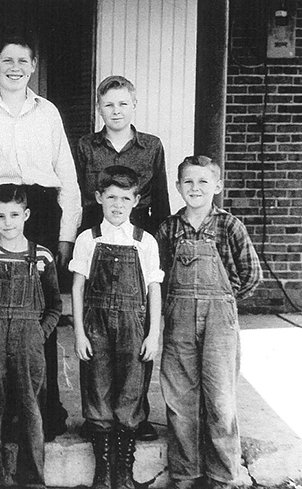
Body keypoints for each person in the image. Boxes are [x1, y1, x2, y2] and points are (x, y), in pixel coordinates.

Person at [0, 31, 81, 441]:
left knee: (41, 317)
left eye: (23, 61)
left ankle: (43, 416)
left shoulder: (49, 113)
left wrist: (66, 234)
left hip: (38, 213)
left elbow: (67, 176)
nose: (15, 68)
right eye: (7, 61)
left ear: (33, 66)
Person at [156, 156, 262, 489]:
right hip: (179, 320)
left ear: (217, 186)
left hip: (220, 321)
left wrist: (224, 302)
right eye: (188, 182)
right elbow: (156, 277)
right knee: (181, 402)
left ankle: (222, 477)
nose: (195, 188)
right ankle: (186, 475)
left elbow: (252, 275)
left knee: (220, 401)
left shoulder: (230, 226)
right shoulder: (168, 229)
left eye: (203, 182)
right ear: (178, 187)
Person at [75, 75, 170, 441]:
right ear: (99, 108)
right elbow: (84, 197)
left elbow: (160, 198)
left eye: (123, 104)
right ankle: (97, 417)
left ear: (134, 106)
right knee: (97, 332)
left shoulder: (151, 146)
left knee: (135, 334)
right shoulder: (86, 145)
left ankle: (134, 415)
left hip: (138, 236)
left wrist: (161, 247)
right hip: (99, 235)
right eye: (108, 104)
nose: (116, 111)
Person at [69, 166, 163, 489]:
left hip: (133, 327)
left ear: (136, 200)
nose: (118, 205)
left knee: (131, 390)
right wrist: (79, 332)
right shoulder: (88, 239)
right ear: (99, 198)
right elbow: (78, 287)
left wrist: (153, 333)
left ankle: (123, 471)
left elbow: (154, 289)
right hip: (95, 326)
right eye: (111, 197)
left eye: (125, 198)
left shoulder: (145, 241)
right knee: (98, 389)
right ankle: (102, 471)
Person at [0, 185, 62, 489]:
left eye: (15, 215)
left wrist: (39, 334)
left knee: (31, 410)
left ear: (26, 215)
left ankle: (31, 477)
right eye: (1, 216)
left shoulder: (42, 256)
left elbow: (55, 304)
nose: (8, 222)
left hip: (28, 339)